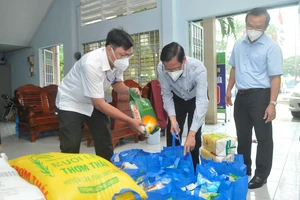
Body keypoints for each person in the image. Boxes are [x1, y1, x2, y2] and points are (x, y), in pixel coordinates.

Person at [56, 28, 145, 161]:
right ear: (109, 49)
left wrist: (128, 90)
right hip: (71, 102)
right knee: (71, 144)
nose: (125, 59)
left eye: (128, 55)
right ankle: (69, 177)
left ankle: (108, 169)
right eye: (122, 55)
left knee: (104, 138)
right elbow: (100, 104)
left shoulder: (117, 62)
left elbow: (115, 83)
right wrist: (130, 121)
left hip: (92, 101)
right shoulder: (91, 63)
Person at [225, 8, 283, 189]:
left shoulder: (272, 47)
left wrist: (272, 104)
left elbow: (275, 78)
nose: (253, 29)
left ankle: (261, 175)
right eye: (250, 25)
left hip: (261, 96)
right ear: (246, 23)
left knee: (263, 137)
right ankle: (245, 168)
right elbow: (234, 68)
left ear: (265, 26)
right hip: (241, 96)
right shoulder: (238, 44)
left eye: (258, 26)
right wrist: (228, 90)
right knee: (243, 136)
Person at [157, 42, 209, 169]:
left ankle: (194, 169)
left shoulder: (198, 69)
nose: (171, 72)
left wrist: (191, 134)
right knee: (172, 133)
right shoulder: (162, 68)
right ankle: (173, 168)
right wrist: (173, 119)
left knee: (194, 137)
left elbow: (202, 102)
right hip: (177, 98)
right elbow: (166, 94)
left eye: (175, 69)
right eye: (168, 69)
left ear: (184, 60)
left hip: (194, 99)